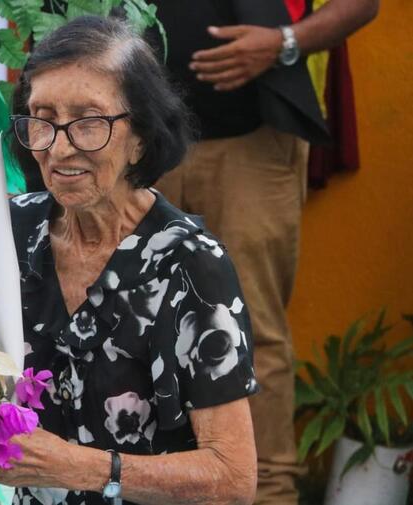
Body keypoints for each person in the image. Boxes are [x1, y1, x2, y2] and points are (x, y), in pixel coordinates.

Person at [0, 16, 258, 505]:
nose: (59, 147)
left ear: (140, 136)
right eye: (42, 119)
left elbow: (233, 478)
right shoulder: (9, 232)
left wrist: (84, 468)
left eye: (88, 122)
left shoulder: (192, 267)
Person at [149, 1, 378, 502]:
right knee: (131, 324)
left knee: (252, 333)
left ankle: (270, 491)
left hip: (251, 142)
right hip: (137, 140)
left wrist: (283, 43)